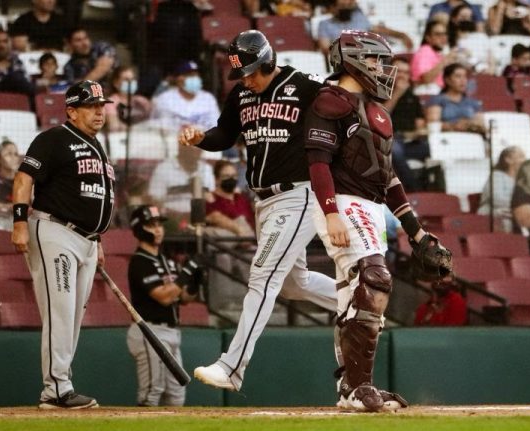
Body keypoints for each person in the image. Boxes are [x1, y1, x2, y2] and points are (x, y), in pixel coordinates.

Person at [178, 30, 337, 392]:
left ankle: (232, 367)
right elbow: (224, 133)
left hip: (298, 194)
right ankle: (359, 300)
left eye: (252, 72)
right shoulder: (243, 93)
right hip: (263, 201)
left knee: (262, 277)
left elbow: (342, 109)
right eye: (242, 74)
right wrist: (201, 137)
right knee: (295, 285)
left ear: (269, 61)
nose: (247, 80)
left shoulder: (306, 86)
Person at [304, 30, 452, 412]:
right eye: (375, 60)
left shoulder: (379, 112)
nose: (383, 68)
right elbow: (317, 162)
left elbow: (388, 179)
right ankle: (360, 386)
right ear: (352, 60)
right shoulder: (329, 100)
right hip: (342, 200)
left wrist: (416, 231)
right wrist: (332, 211)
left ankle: (349, 389)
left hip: (371, 207)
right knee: (375, 280)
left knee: (354, 296)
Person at [11, 80, 115, 409]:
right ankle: (56, 389)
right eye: (91, 106)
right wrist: (17, 222)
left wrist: (96, 238)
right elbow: (23, 178)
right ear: (71, 110)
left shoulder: (97, 146)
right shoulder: (54, 139)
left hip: (84, 240)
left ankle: (61, 383)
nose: (99, 111)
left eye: (101, 105)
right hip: (55, 231)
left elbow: (88, 196)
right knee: (61, 311)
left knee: (71, 317)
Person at [126, 205, 200, 407]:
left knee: (177, 395)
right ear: (140, 228)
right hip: (150, 331)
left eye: (159, 224)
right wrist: (186, 273)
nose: (158, 229)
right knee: (152, 392)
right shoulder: (140, 261)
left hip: (172, 333)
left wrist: (195, 282)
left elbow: (183, 298)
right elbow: (164, 297)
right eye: (151, 225)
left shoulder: (167, 261)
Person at [204, 160, 255, 309]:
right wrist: (239, 231)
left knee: (256, 255)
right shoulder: (211, 198)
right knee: (223, 257)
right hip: (224, 245)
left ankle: (260, 300)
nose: (231, 179)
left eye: (233, 175)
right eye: (226, 176)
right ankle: (224, 303)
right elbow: (214, 217)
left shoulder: (242, 199)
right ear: (217, 179)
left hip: (246, 244)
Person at [384, 57, 428, 192]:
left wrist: (420, 132)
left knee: (437, 148)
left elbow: (419, 123)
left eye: (406, 73)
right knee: (395, 150)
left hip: (410, 141)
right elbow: (381, 115)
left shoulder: (412, 97)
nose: (403, 76)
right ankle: (415, 190)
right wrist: (397, 92)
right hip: (388, 140)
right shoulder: (380, 92)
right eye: (399, 72)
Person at [317, 0, 414, 56]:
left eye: (349, 5)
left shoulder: (359, 17)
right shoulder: (325, 24)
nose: (346, 8)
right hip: (343, 59)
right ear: (333, 8)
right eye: (342, 6)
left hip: (369, 56)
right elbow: (325, 48)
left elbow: (378, 29)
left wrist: (402, 35)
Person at [148, 143, 214, 222]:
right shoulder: (163, 169)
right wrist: (156, 221)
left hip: (203, 219)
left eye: (199, 149)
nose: (196, 152)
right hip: (171, 220)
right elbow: (153, 202)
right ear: (181, 148)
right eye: (191, 149)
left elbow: (213, 199)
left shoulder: (207, 169)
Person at [150, 61, 219, 137]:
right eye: (189, 75)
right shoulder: (164, 99)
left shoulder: (208, 99)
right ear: (178, 79)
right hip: (173, 144)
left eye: (196, 75)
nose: (194, 78)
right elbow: (156, 127)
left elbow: (216, 127)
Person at [477, 145, 526, 233]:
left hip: (513, 213)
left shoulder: (522, 181)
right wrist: (520, 207)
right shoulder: (497, 176)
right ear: (508, 159)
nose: (525, 160)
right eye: (521, 156)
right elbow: (498, 200)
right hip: (493, 213)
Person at [428, 63, 485, 134]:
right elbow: (433, 124)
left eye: (465, 77)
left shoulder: (473, 102)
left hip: (470, 138)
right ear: (447, 80)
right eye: (458, 76)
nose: (463, 80)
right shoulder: (437, 100)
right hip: (446, 139)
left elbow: (481, 124)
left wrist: (469, 124)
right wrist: (453, 126)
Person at [410, 20, 457, 90]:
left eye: (445, 34)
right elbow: (426, 79)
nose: (443, 38)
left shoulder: (439, 53)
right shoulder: (425, 51)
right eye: (438, 34)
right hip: (427, 94)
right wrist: (445, 60)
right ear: (428, 37)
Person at [105, 66, 152, 132]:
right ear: (116, 83)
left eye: (133, 79)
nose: (131, 82)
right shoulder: (110, 102)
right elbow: (114, 126)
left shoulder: (142, 101)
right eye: (126, 80)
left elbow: (154, 119)